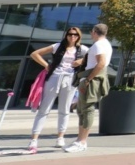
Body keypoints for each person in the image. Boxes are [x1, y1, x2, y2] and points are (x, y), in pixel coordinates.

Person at [28, 27, 88, 150]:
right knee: (44, 109)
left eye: (75, 35)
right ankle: (34, 139)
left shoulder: (82, 49)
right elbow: (34, 54)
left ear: (79, 36)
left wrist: (81, 61)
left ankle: (60, 137)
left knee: (65, 109)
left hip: (70, 79)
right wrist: (46, 65)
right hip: (54, 78)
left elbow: (95, 57)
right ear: (66, 35)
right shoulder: (57, 46)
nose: (72, 37)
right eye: (70, 34)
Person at [64, 23, 113, 153]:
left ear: (94, 32)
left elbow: (101, 63)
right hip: (90, 78)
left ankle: (82, 141)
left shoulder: (99, 45)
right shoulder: (105, 44)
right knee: (82, 109)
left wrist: (88, 79)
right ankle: (79, 140)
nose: (91, 34)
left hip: (91, 79)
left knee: (87, 109)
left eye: (92, 32)